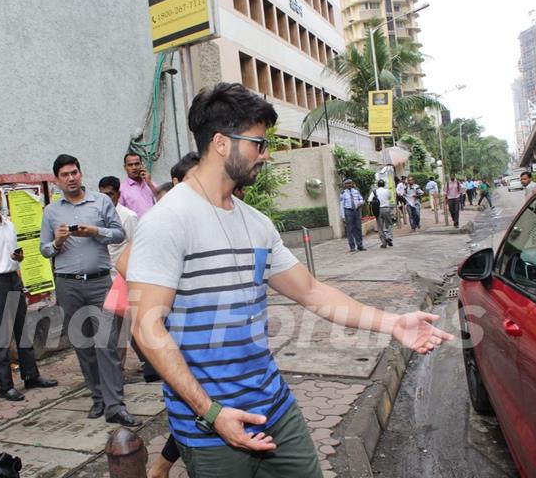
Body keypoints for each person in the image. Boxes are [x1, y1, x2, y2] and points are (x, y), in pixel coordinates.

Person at [126, 82, 453, 478]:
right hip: (210, 426)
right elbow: (147, 328)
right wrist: (210, 412)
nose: (265, 155)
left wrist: (392, 323)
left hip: (274, 408)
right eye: (258, 143)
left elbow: (312, 292)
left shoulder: (256, 224)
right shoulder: (167, 221)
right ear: (221, 143)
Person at [40, 154, 140, 427]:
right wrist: (58, 242)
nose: (71, 178)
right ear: (57, 180)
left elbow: (119, 234)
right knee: (82, 343)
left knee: (106, 344)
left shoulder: (101, 201)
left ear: (80, 174)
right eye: (65, 175)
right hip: (67, 283)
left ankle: (115, 405)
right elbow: (43, 249)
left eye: (74, 172)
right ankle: (97, 397)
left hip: (99, 282)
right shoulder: (51, 211)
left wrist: (95, 231)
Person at [0, 186, 58, 402]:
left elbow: (11, 257)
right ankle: (5, 387)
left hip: (13, 279)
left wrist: (18, 258)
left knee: (22, 331)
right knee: (1, 337)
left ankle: (31, 375)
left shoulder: (9, 225)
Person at [98, 176, 138, 280]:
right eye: (102, 195)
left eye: (110, 194)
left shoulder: (129, 216)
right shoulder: (96, 215)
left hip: (120, 277)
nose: (105, 199)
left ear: (118, 195)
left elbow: (135, 248)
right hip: (100, 276)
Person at [119, 152, 157, 217]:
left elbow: (162, 200)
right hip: (136, 226)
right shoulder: (121, 189)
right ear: (125, 167)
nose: (134, 167)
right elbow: (120, 213)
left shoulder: (150, 184)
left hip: (153, 224)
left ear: (141, 165)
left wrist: (149, 183)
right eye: (130, 165)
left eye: (137, 164)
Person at [340, 178, 366, 251]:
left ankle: (360, 245)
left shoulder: (356, 191)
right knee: (349, 229)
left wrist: (360, 202)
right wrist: (343, 216)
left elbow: (361, 199)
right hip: (348, 211)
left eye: (350, 183)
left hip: (356, 211)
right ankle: (352, 247)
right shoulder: (343, 193)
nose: (349, 184)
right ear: (345, 185)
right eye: (347, 183)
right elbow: (341, 205)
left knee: (358, 228)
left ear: (352, 184)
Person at [369, 179, 393, 248]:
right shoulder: (387, 191)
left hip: (378, 210)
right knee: (389, 224)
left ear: (377, 185)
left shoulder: (374, 192)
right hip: (386, 209)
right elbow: (389, 197)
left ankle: (384, 243)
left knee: (380, 227)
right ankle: (389, 237)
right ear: (384, 185)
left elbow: (369, 200)